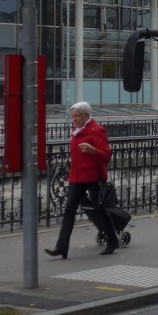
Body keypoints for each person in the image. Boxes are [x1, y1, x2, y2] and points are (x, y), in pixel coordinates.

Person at [45, 102, 118, 258]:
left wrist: (92, 150)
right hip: (77, 176)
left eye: (76, 117)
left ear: (86, 115)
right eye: (73, 117)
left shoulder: (97, 131)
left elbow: (106, 155)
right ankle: (61, 247)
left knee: (100, 209)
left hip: (93, 176)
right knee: (68, 211)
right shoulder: (76, 131)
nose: (74, 120)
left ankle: (112, 241)